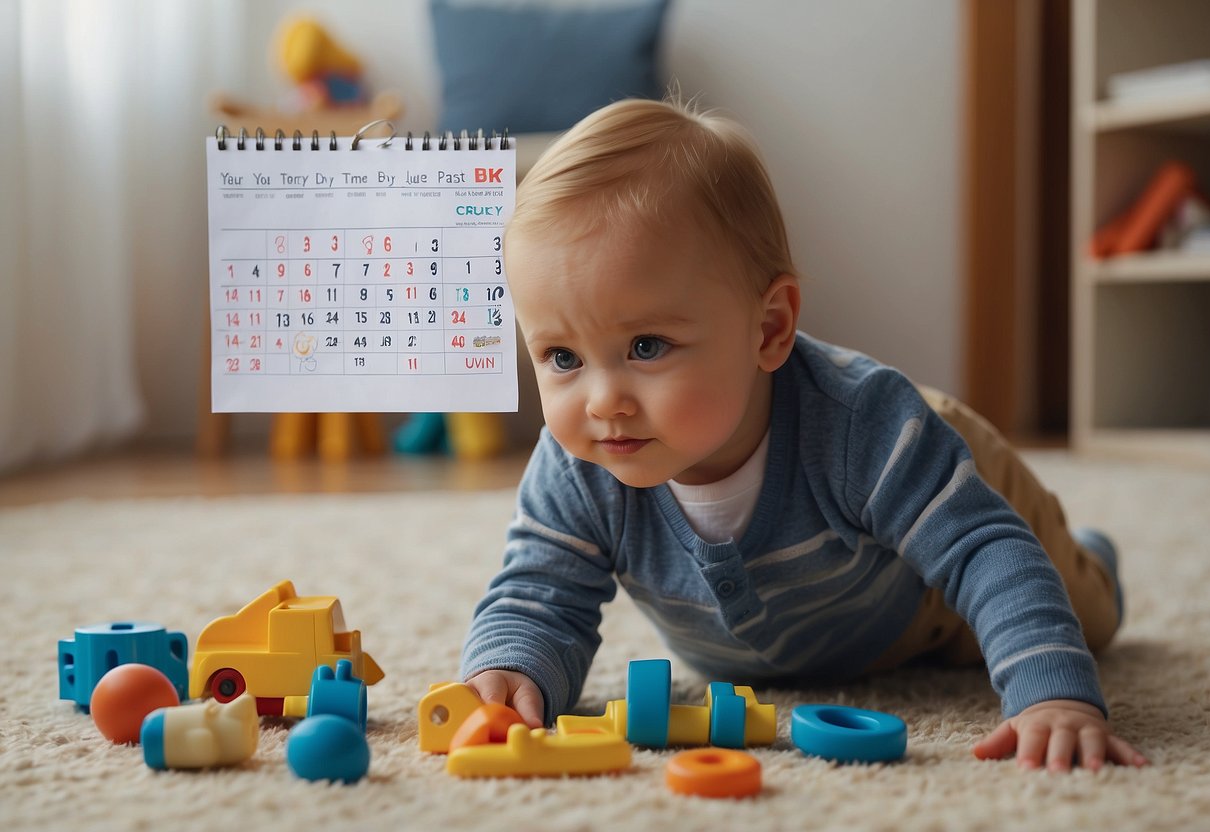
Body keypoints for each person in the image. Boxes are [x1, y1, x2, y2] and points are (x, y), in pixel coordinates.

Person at [459, 97, 1147, 772]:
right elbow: (538, 593)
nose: (603, 401)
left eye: (645, 346)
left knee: (1074, 607)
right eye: (561, 358)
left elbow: (982, 551)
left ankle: (1092, 559)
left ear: (768, 329)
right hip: (823, 616)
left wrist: (1053, 696)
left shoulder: (866, 429)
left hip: (934, 564)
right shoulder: (579, 469)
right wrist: (508, 671)